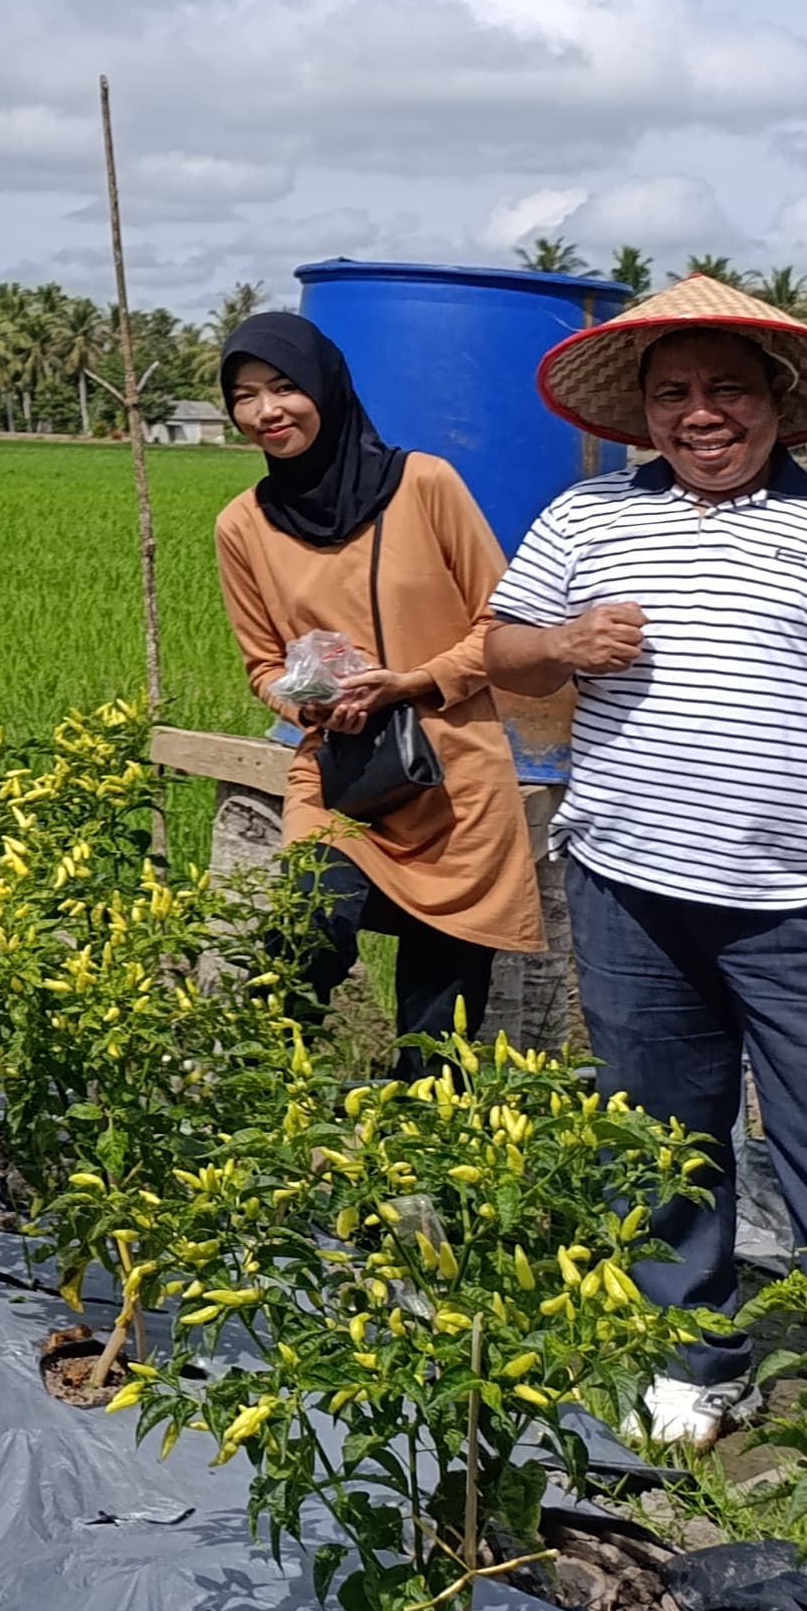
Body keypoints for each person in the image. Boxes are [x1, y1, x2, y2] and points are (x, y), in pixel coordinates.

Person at [481, 274, 807, 1492]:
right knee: (662, 1142)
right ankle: (700, 1357)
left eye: (725, 390)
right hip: (626, 894)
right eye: (671, 395)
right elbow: (502, 651)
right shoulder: (584, 520)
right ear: (641, 413)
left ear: (779, 403)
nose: (699, 415)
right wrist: (558, 646)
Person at [208, 310, 547, 1065]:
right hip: (341, 772)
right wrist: (307, 701)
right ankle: (274, 1101)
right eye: (245, 395)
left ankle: (419, 1150)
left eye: (285, 386)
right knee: (308, 924)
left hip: (452, 772)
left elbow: (503, 620)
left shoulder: (424, 484)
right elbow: (263, 665)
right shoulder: (243, 526)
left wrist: (416, 681)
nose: (266, 411)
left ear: (326, 385)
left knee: (442, 1004)